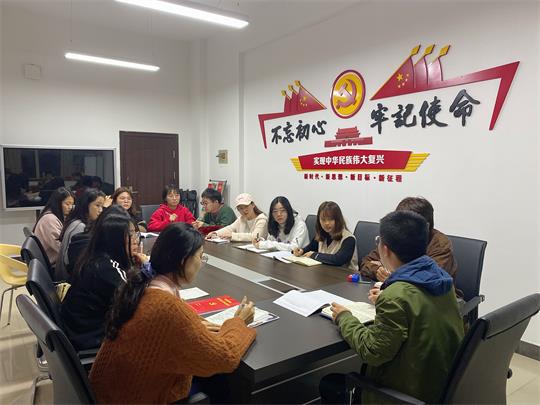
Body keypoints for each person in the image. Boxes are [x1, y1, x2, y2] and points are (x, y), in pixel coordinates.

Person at [89, 223, 257, 403]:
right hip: (139, 397)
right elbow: (225, 357)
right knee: (222, 382)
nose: (201, 263)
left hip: (111, 393)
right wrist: (239, 322)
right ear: (183, 260)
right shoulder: (167, 307)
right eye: (201, 256)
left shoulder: (144, 285)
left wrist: (194, 326)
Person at [321, 211, 464, 404]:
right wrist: (389, 295)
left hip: (408, 394)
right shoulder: (440, 278)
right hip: (440, 383)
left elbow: (372, 351)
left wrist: (344, 317)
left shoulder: (396, 296)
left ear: (385, 250)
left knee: (328, 383)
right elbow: (418, 305)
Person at [60, 206, 148, 350]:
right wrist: (147, 270)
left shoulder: (95, 256)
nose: (135, 240)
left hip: (80, 329)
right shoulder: (106, 268)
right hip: (92, 338)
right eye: (130, 234)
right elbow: (141, 303)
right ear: (115, 240)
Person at [360, 196, 459, 297]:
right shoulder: (397, 236)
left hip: (432, 299)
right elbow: (366, 262)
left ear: (425, 226)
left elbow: (426, 281)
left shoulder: (440, 245)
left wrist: (393, 276)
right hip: (401, 293)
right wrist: (377, 270)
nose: (397, 228)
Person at [55, 189, 106, 281]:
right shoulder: (80, 227)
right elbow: (73, 262)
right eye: (97, 205)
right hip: (69, 279)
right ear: (86, 206)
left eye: (102, 206)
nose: (101, 210)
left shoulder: (79, 222)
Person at [293, 201, 358, 271]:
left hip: (345, 275)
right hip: (325, 272)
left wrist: (314, 255)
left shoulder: (349, 238)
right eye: (323, 220)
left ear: (338, 220)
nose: (326, 223)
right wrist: (301, 251)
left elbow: (338, 260)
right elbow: (310, 248)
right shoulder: (322, 234)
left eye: (330, 219)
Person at [33, 187, 74, 267]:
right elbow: (61, 248)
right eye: (67, 204)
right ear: (58, 203)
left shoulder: (53, 215)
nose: (70, 207)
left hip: (50, 261)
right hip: (52, 265)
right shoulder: (50, 220)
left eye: (72, 204)